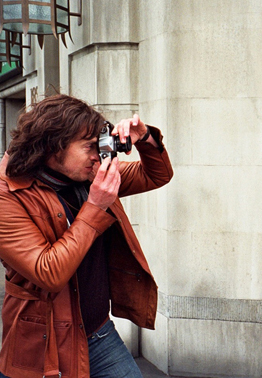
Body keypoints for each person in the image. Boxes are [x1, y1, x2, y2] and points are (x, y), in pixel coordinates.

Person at [0, 94, 173, 378]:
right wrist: (95, 206)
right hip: (43, 346)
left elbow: (156, 175)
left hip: (98, 332)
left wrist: (145, 139)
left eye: (100, 145)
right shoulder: (8, 195)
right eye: (90, 147)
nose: (99, 156)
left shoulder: (88, 174)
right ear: (53, 148)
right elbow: (48, 273)